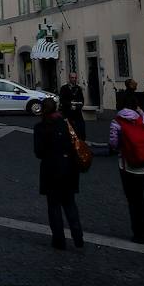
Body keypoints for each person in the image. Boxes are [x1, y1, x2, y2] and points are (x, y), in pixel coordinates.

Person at [33, 98, 84, 250]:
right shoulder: (67, 123)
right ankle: (78, 237)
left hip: (51, 170)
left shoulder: (40, 127)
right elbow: (78, 142)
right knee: (70, 204)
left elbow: (39, 152)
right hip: (69, 169)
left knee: (54, 206)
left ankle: (59, 241)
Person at [109, 93, 144, 244]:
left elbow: (114, 144)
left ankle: (139, 233)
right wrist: (140, 111)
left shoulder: (117, 121)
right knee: (140, 197)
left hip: (128, 166)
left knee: (133, 200)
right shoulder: (141, 118)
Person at [58, 72, 86, 141]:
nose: (74, 79)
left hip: (77, 112)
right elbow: (62, 99)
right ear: (69, 78)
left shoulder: (78, 88)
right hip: (67, 112)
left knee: (81, 127)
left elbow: (82, 99)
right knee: (68, 129)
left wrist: (79, 105)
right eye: (72, 78)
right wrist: (70, 104)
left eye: (75, 78)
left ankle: (81, 141)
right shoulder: (64, 88)